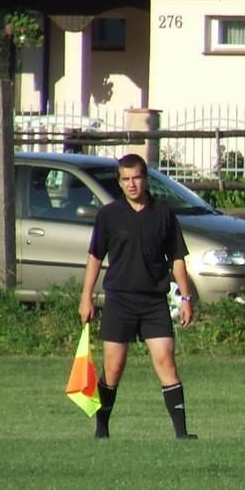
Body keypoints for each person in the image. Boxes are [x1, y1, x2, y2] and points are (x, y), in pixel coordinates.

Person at [78, 153, 196, 440]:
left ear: (146, 179)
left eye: (137, 178)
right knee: (113, 367)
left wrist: (186, 298)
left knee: (166, 361)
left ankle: (182, 434)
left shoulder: (163, 214)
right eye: (126, 179)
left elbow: (177, 259)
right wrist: (86, 297)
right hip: (119, 300)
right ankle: (102, 430)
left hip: (154, 302)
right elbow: (95, 257)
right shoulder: (109, 215)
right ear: (120, 182)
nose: (132, 184)